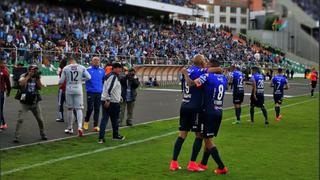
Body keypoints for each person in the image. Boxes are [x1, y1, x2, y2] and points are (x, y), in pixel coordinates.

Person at [169, 54, 222, 171]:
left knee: (182, 135)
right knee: (199, 135)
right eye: (204, 60)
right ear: (201, 62)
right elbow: (218, 69)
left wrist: (185, 73)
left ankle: (173, 162)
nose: (206, 61)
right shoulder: (200, 71)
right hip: (195, 107)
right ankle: (192, 163)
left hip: (184, 105)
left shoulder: (186, 70)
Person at [192, 59, 229, 174]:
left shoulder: (207, 76)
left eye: (208, 65)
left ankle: (222, 167)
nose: (206, 66)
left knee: (208, 141)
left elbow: (196, 83)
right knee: (208, 137)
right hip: (218, 111)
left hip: (208, 111)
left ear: (212, 66)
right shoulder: (224, 78)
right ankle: (203, 163)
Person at [13, 65, 47, 142]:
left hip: (35, 102)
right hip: (25, 103)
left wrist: (37, 79)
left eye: (35, 70)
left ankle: (43, 134)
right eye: (33, 70)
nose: (34, 71)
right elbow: (21, 84)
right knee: (20, 119)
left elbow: (40, 87)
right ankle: (16, 136)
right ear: (29, 70)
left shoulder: (36, 77)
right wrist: (28, 76)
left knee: (40, 120)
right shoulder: (23, 75)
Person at [59, 58, 91, 136]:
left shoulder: (66, 68)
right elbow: (89, 77)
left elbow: (61, 81)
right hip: (78, 89)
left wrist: (59, 83)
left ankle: (70, 127)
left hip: (69, 89)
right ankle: (80, 127)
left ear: (69, 62)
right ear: (75, 61)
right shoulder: (81, 67)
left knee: (70, 109)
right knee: (79, 108)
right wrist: (81, 79)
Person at [98, 62, 125, 143]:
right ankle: (114, 135)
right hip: (111, 102)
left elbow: (108, 88)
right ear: (115, 68)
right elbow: (110, 88)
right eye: (119, 68)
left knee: (106, 119)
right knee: (113, 119)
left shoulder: (109, 75)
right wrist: (108, 99)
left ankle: (102, 137)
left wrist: (118, 96)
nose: (120, 70)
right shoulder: (113, 76)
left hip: (108, 100)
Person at [83, 57, 105, 132]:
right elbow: (83, 78)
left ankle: (96, 125)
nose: (96, 61)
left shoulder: (102, 70)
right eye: (95, 60)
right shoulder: (88, 70)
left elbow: (103, 81)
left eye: (98, 60)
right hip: (90, 91)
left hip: (99, 92)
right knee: (90, 108)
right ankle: (86, 121)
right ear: (91, 61)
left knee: (97, 109)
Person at [0, 59, 11, 130]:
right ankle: (3, 123)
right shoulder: (4, 71)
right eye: (3, 63)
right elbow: (8, 84)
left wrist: (8, 91)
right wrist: (9, 91)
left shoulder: (4, 71)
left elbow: (8, 83)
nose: (5, 64)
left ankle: (2, 123)